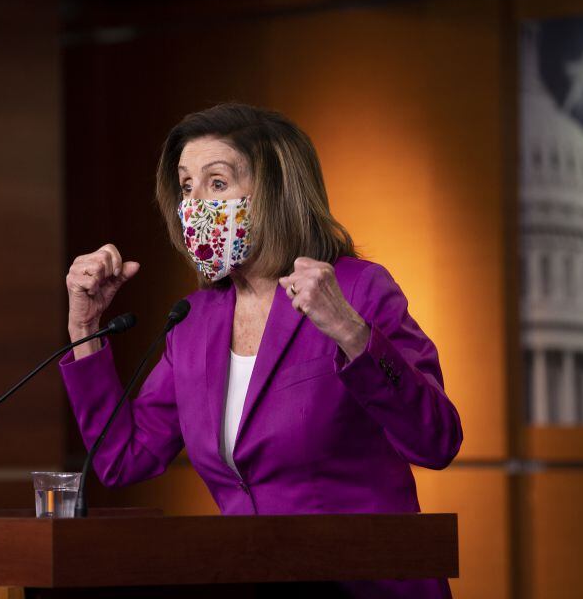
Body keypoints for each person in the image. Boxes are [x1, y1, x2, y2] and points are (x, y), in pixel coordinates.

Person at [60, 103, 462, 598]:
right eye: (187, 187)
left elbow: (437, 441)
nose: (196, 206)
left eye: (217, 183)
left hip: (368, 586)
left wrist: (351, 334)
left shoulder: (357, 290)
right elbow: (123, 459)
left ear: (272, 192)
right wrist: (85, 325)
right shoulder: (193, 321)